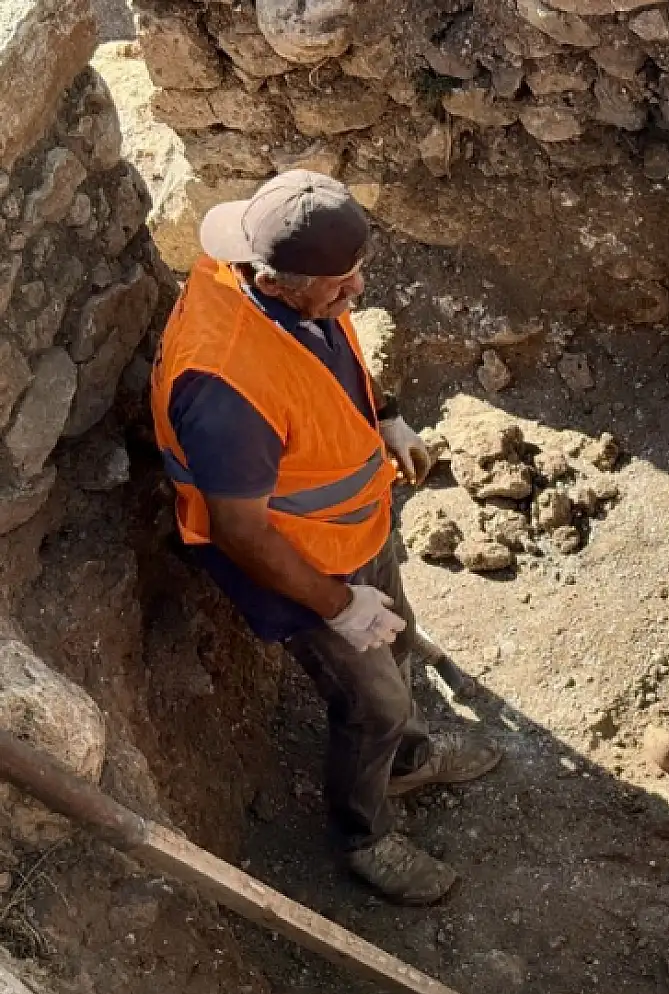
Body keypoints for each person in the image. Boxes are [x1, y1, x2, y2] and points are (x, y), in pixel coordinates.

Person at [150, 170, 500, 906]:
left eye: (355, 273)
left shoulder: (283, 278)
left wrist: (386, 414)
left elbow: (326, 345)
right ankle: (362, 836)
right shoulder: (224, 387)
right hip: (301, 566)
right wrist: (338, 605)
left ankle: (404, 757)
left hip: (353, 530)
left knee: (397, 649)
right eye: (339, 284)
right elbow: (240, 532)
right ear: (273, 282)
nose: (357, 292)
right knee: (371, 703)